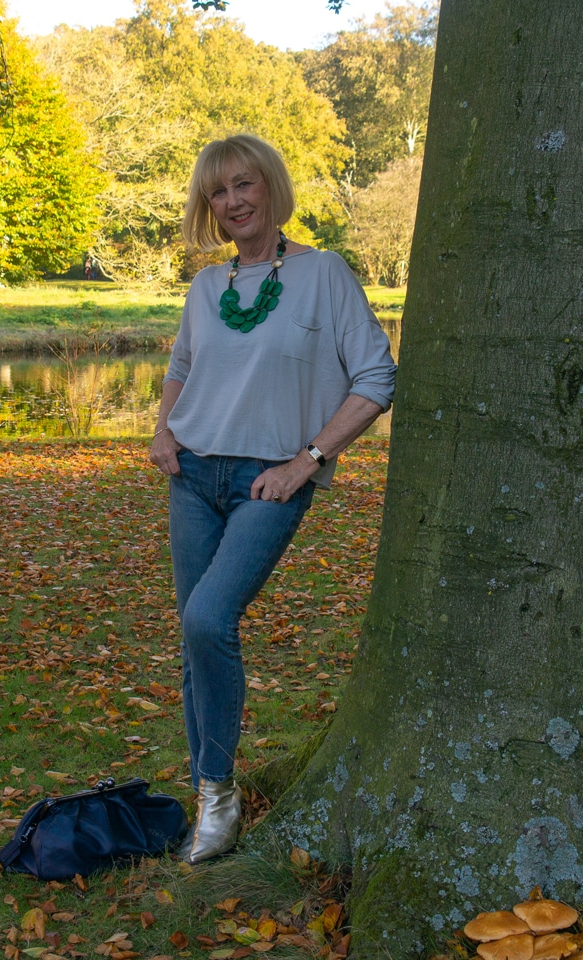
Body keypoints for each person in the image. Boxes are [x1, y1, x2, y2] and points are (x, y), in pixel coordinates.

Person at [149, 134, 395, 864]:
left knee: (208, 616)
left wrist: (307, 460)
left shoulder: (322, 275)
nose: (232, 202)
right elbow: (181, 367)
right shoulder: (205, 287)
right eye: (218, 193)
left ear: (270, 188)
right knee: (197, 642)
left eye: (243, 184)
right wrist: (163, 432)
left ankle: (218, 788)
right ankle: (208, 798)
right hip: (193, 475)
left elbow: (376, 378)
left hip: (269, 480)